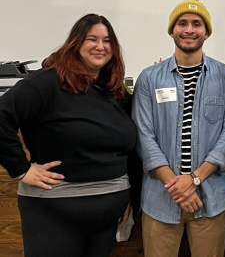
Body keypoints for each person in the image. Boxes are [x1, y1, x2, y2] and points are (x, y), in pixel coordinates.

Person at [0, 14, 137, 257]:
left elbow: (128, 149)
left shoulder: (114, 90)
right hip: (53, 213)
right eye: (91, 39)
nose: (100, 46)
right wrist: (21, 168)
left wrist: (127, 196)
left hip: (107, 217)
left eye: (107, 41)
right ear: (75, 43)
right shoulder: (46, 83)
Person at [132, 0, 225, 257]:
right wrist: (177, 186)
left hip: (210, 199)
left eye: (196, 24)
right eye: (182, 23)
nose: (189, 29)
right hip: (160, 199)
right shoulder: (149, 78)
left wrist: (194, 179)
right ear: (172, 30)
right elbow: (143, 135)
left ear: (206, 32)